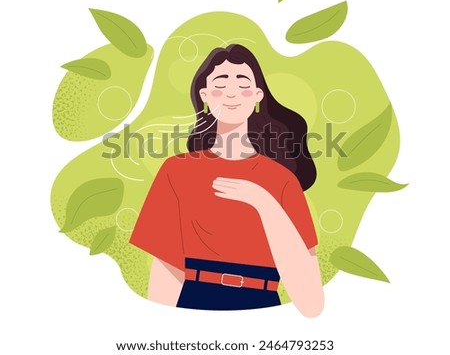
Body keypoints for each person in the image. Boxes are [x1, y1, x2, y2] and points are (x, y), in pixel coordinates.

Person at [129, 44, 324, 315]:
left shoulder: (282, 181)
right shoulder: (176, 171)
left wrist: (264, 203)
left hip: (262, 306)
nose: (232, 92)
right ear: (205, 95)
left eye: (242, 83)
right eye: (221, 83)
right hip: (194, 302)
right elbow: (167, 269)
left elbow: (310, 301)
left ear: (258, 96)